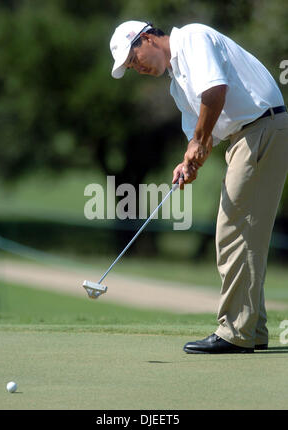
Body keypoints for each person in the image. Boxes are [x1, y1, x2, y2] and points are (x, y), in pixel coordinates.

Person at [109, 20, 288, 353]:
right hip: (248, 135)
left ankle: (235, 332)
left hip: (262, 127)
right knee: (243, 232)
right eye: (132, 69)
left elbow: (215, 92)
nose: (139, 69)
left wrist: (200, 142)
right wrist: (189, 162)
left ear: (146, 39)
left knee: (234, 230)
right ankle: (253, 328)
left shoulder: (192, 38)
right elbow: (203, 135)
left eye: (135, 61)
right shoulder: (177, 85)